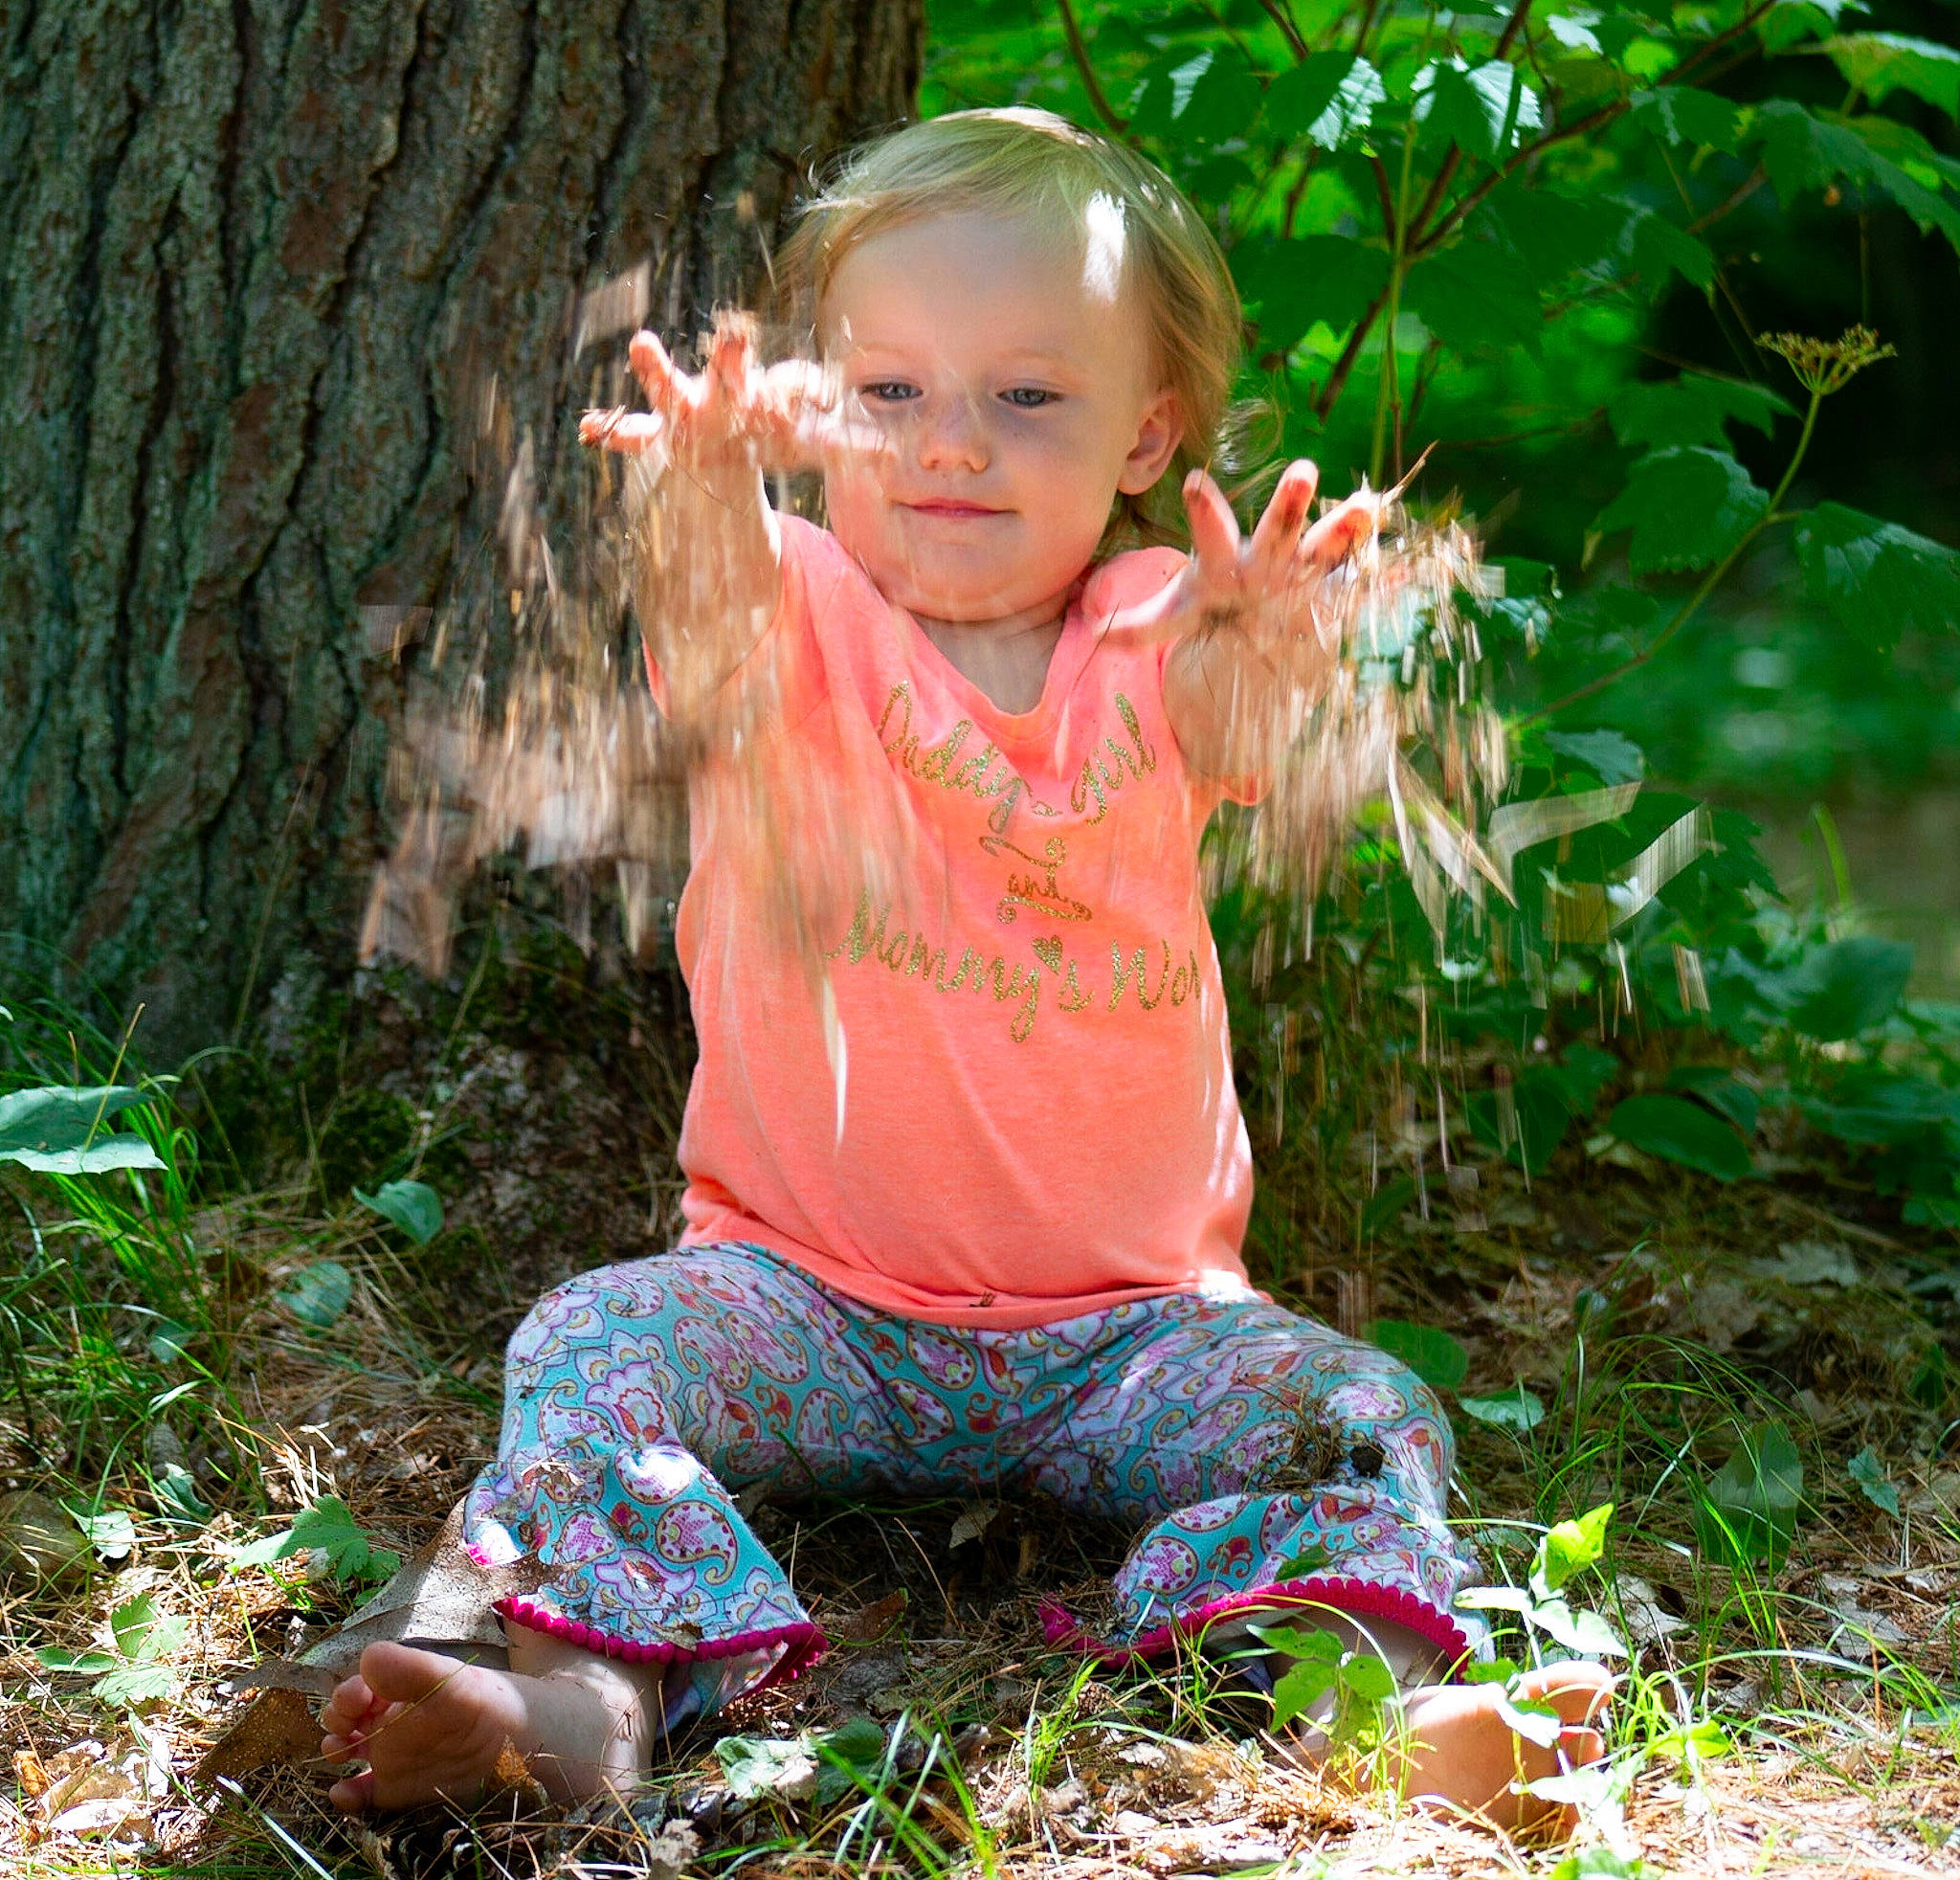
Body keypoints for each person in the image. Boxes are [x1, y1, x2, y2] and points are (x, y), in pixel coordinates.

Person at [320, 107, 1611, 1829]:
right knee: (592, 1345)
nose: (953, 448)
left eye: (1026, 396)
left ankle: (1352, 1700)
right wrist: (700, 485)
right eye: (893, 393)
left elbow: (1240, 732)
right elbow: (696, 627)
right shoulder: (794, 605)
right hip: (803, 1304)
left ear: (1150, 429)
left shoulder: (1152, 623)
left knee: (1361, 1411)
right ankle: (577, 1701)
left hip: (1139, 1331)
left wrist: (1266, 635)